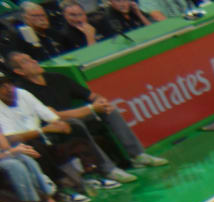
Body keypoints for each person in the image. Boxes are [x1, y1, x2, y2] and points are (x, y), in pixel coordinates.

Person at [8, 51, 166, 167]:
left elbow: (90, 95)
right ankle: (107, 168)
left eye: (31, 57)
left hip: (76, 115)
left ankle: (138, 155)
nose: (34, 61)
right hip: (53, 128)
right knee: (76, 124)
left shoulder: (57, 78)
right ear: (19, 71)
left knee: (110, 110)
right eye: (26, 61)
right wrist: (91, 109)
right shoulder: (25, 91)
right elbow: (53, 115)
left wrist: (100, 102)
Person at [0, 73, 131, 199]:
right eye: (2, 87)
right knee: (35, 147)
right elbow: (10, 138)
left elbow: (48, 115)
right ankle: (64, 188)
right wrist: (43, 130)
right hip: (22, 145)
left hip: (43, 133)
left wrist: (59, 123)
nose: (8, 89)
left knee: (74, 126)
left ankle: (91, 173)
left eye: (9, 84)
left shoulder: (23, 94)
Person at [93, 0, 161, 37]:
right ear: (110, 2)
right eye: (118, 1)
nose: (124, 4)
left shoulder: (133, 9)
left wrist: (139, 14)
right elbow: (123, 39)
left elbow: (155, 30)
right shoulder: (109, 17)